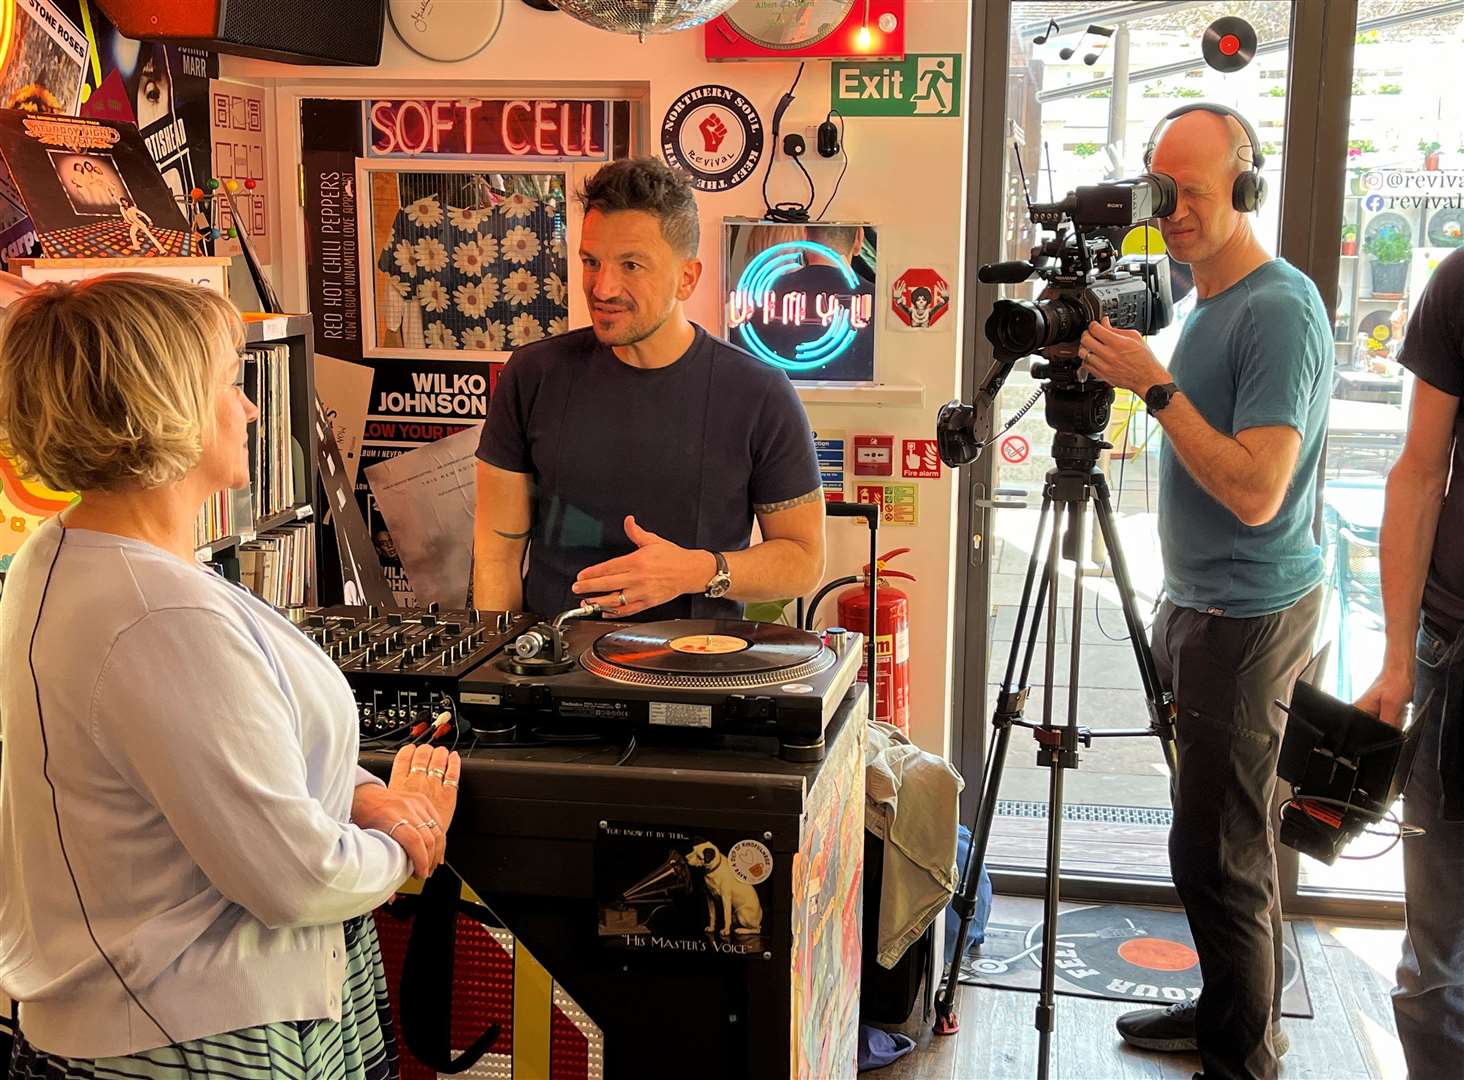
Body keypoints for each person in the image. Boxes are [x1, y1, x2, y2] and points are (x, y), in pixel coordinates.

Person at [0, 274, 459, 1073]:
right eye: (227, 385)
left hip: (146, 1015)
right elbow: (297, 880)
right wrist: (411, 827)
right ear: (165, 404)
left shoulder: (61, 556)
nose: (249, 408)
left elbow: (211, 758)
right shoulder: (160, 615)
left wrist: (362, 793)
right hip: (199, 1035)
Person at [1076, 105, 1331, 1080]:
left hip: (1248, 615)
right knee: (1205, 841)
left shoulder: (1277, 307)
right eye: (1160, 187)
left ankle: (1244, 1055)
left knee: (1225, 851)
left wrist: (1153, 386)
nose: (1171, 209)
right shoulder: (1208, 304)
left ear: (1246, 186)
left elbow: (1261, 491)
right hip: (1204, 606)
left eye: (1192, 188)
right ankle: (1224, 1010)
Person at [473, 158, 825, 621]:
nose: (603, 286)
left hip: (695, 674)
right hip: (554, 670)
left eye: (631, 264)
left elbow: (804, 560)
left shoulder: (759, 393)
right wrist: (499, 670)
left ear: (687, 278)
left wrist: (694, 571)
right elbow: (496, 554)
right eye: (590, 262)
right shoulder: (532, 374)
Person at [1353, 246, 1464, 1079]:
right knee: (1438, 955)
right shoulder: (1462, 281)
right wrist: (1397, 663)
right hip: (1455, 658)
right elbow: (1420, 473)